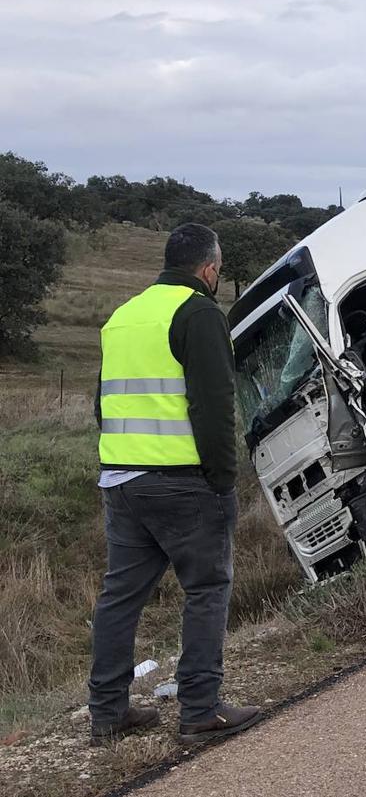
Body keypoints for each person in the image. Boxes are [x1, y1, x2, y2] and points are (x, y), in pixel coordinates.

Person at [89, 224, 262, 747]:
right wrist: (224, 483)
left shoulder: (123, 316)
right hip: (182, 483)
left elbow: (102, 404)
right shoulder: (200, 313)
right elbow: (213, 407)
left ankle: (108, 713)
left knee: (119, 597)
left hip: (120, 479)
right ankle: (201, 710)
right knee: (207, 589)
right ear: (209, 269)